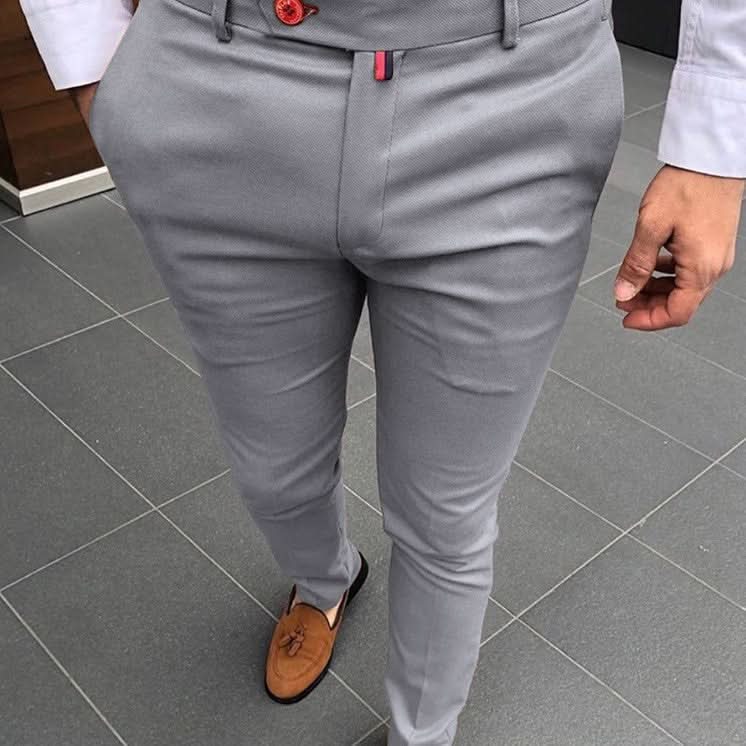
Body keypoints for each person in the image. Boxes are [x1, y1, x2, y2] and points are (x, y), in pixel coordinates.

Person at [19, 0, 744, 743]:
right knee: (274, 471)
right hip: (220, 77)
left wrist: (719, 137)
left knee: (446, 514)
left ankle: (423, 732)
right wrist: (90, 58)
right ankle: (325, 578)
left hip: (508, 96)